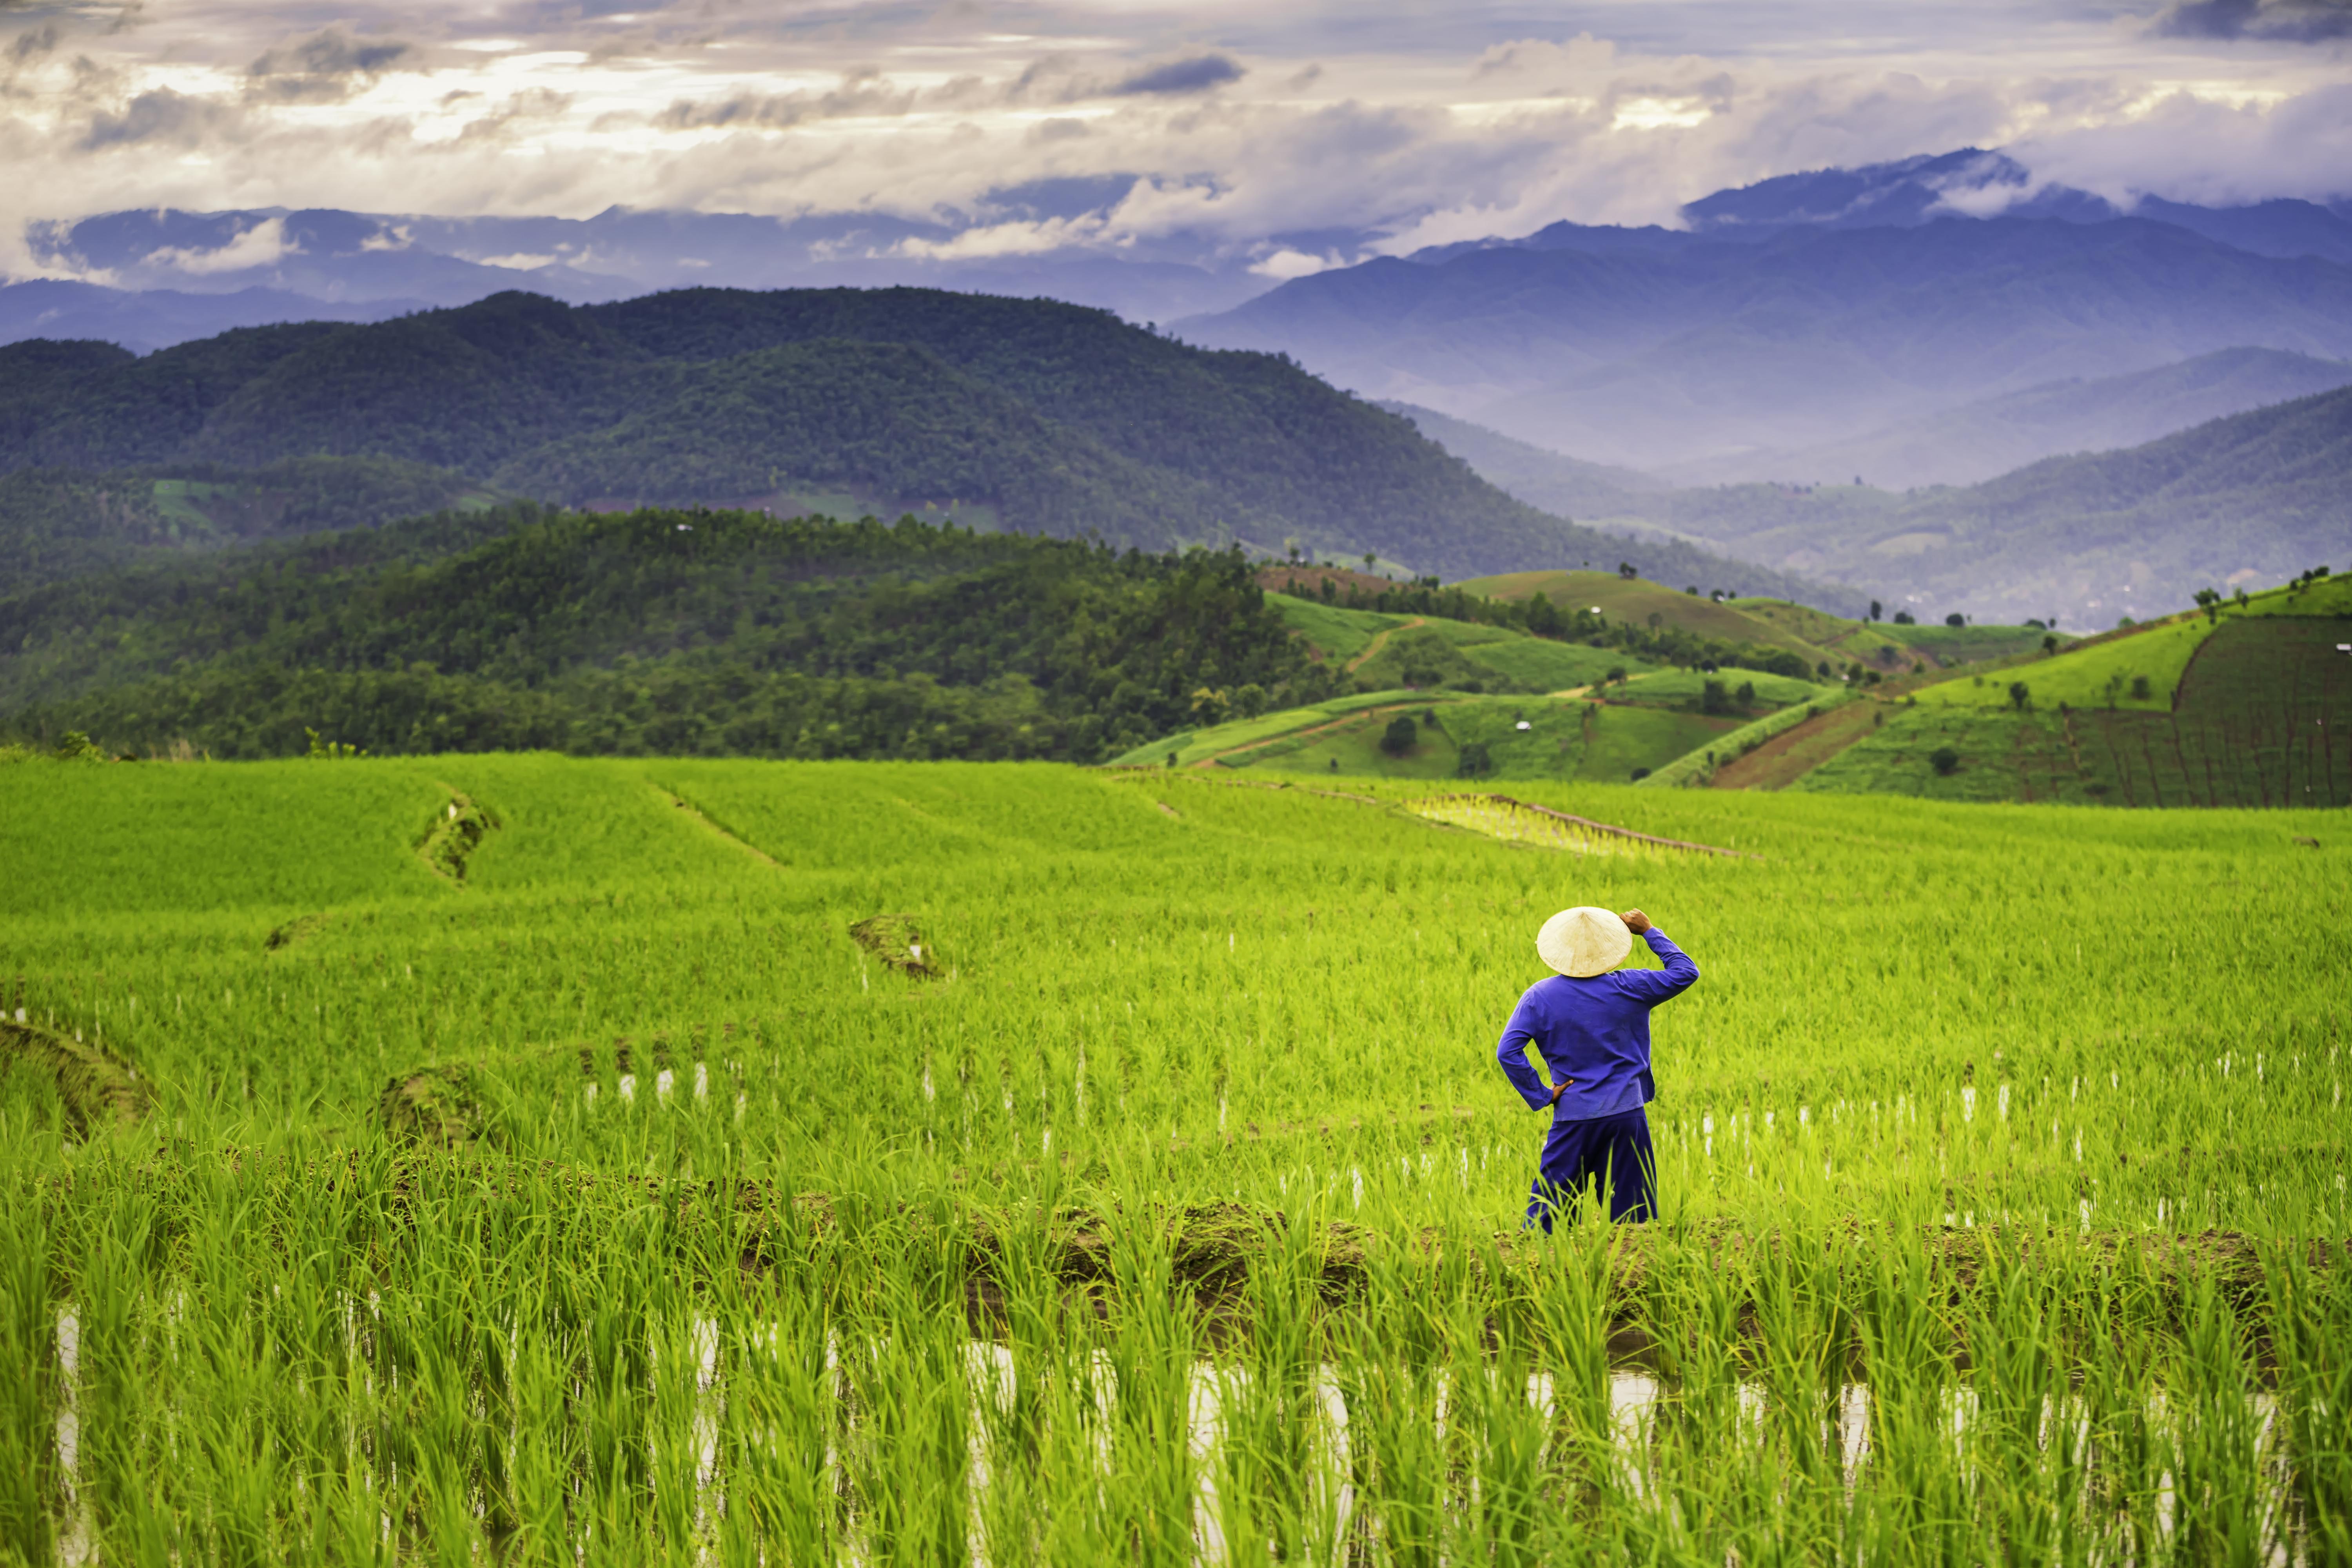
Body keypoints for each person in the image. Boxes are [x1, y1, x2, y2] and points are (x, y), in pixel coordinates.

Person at [1495, 905, 1698, 1230]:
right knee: (1635, 1223)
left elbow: (1508, 1051)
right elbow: (1686, 972)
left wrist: (1542, 1095)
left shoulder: (1539, 997)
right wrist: (1649, 931)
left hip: (1573, 1119)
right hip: (1626, 1116)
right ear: (1609, 949)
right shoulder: (1630, 986)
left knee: (1547, 1223)